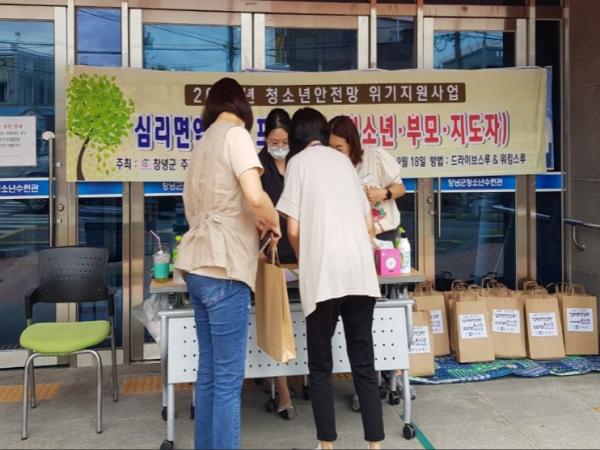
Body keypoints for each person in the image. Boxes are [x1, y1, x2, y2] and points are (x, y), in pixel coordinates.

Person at [175, 77, 281, 450]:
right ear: (242, 107)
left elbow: (201, 205)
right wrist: (273, 220)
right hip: (225, 269)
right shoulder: (236, 135)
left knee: (207, 374)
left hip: (197, 266)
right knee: (227, 380)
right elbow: (255, 196)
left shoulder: (202, 143)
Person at [277, 108, 384, 450]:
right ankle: (375, 445)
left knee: (321, 367)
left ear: (295, 138)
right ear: (323, 134)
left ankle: (327, 445)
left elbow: (293, 229)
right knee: (364, 363)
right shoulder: (344, 163)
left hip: (324, 275)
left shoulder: (297, 164)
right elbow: (367, 223)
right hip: (360, 272)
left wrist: (306, 260)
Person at [257, 108, 296, 420]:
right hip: (270, 255)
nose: (279, 146)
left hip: (300, 252)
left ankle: (301, 376)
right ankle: (282, 390)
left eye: (284, 141)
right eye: (274, 141)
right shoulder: (258, 165)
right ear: (265, 138)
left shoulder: (299, 162)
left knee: (300, 319)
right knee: (277, 321)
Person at [327, 115, 406, 243]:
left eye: (339, 148)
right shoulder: (328, 167)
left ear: (351, 143)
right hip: (349, 236)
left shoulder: (374, 157)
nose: (333, 153)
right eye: (330, 148)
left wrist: (383, 193)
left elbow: (401, 189)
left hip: (383, 234)